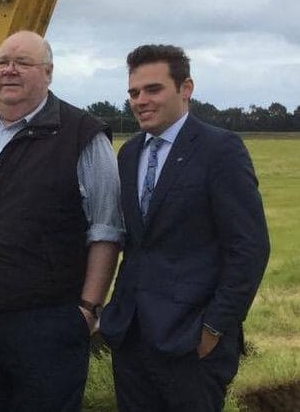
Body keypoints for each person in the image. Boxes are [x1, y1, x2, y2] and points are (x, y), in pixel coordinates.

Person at [0, 30, 124, 411]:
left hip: (45, 324)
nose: (10, 71)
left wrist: (87, 309)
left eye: (23, 63)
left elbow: (106, 228)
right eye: (2, 62)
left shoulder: (82, 135)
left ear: (48, 73)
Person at [100, 44, 270, 411]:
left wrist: (213, 329)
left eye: (153, 89)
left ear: (186, 88)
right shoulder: (129, 155)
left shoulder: (220, 150)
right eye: (133, 92)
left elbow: (249, 247)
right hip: (131, 337)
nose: (140, 100)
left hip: (190, 344)